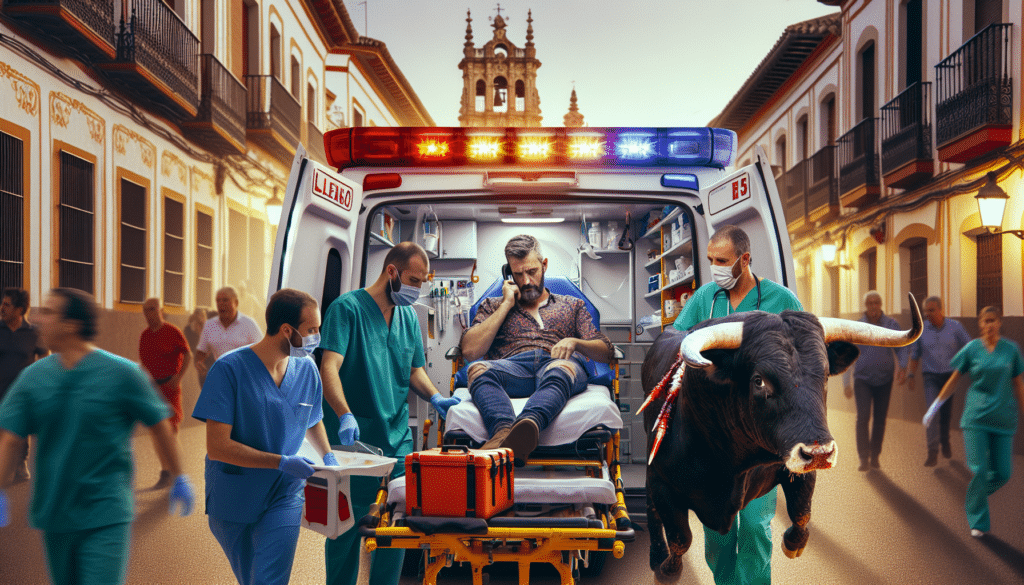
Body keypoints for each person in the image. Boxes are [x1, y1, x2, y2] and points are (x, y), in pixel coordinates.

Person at [0, 288, 194, 585]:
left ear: (71, 324)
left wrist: (179, 475)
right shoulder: (33, 378)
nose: (38, 319)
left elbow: (159, 422)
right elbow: (11, 438)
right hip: (55, 513)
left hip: (106, 512)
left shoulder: (121, 373)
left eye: (49, 312)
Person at [319, 241, 459, 585]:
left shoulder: (408, 317)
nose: (417, 289)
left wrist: (437, 398)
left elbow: (414, 370)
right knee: (346, 529)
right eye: (413, 280)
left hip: (397, 438)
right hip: (355, 440)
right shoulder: (346, 309)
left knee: (396, 525)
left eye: (422, 282)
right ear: (391, 272)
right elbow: (329, 368)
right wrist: (343, 414)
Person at [672, 225, 802, 585]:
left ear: (744, 260)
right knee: (718, 529)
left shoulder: (781, 300)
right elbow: (678, 339)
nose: (715, 267)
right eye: (711, 259)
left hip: (761, 435)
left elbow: (803, 360)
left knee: (756, 526)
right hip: (714, 436)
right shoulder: (705, 298)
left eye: (723, 261)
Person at [193, 288, 338, 585]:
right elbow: (218, 447)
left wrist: (328, 455)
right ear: (287, 330)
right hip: (234, 493)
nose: (317, 336)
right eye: (311, 329)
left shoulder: (307, 368)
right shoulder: (229, 370)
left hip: (285, 491)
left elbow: (311, 418)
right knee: (250, 579)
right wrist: (280, 461)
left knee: (270, 580)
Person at [461, 234, 614, 466]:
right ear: (508, 273)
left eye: (532, 271)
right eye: (518, 274)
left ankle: (529, 424)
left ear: (544, 265)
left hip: (558, 365)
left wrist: (575, 342)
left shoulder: (572, 305)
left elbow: (606, 352)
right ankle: (504, 434)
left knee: (560, 368)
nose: (526, 281)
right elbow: (470, 351)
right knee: (478, 369)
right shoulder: (493, 306)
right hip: (513, 368)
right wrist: (505, 305)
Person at [924, 306, 1024, 538]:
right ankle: (978, 519)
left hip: (1003, 419)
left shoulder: (1012, 350)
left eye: (993, 320)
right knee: (979, 470)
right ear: (979, 324)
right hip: (976, 418)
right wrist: (934, 407)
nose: (989, 325)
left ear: (1000, 322)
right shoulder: (972, 349)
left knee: (1002, 474)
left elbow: (1018, 385)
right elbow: (953, 380)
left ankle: (973, 496)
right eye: (985, 321)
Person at [842, 291, 909, 471]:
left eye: (876, 302)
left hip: (884, 380)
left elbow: (902, 347)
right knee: (863, 417)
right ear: (866, 306)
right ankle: (864, 457)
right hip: (862, 379)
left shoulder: (891, 325)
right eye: (870, 303)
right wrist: (845, 382)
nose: (873, 306)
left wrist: (903, 366)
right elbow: (847, 353)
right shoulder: (856, 326)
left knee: (880, 420)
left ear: (880, 304)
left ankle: (875, 456)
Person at [903, 296, 971, 467]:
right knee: (933, 410)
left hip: (950, 377)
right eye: (925, 311)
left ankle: (945, 440)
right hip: (930, 376)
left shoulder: (956, 328)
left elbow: (969, 347)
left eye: (931, 310)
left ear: (941, 310)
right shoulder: (922, 330)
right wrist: (911, 375)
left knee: (946, 414)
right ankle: (932, 451)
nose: (927, 314)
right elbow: (915, 354)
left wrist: (970, 367)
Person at [139, 298, 192, 489]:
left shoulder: (172, 331)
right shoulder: (145, 336)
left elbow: (187, 354)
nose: (148, 313)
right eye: (145, 310)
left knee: (172, 430)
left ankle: (177, 473)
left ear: (160, 310)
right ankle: (165, 472)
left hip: (170, 387)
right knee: (156, 429)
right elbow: (144, 364)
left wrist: (178, 377)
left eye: (152, 309)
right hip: (153, 388)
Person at [0, 287, 48, 483]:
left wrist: (39, 379)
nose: (2, 308)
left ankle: (21, 463)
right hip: (0, 388)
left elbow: (44, 354)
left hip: (22, 390)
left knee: (22, 427)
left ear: (19, 310)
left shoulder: (33, 333)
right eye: (2, 303)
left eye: (6, 305)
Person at [194, 286, 262, 381]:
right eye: (218, 301)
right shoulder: (209, 325)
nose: (221, 303)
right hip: (221, 378)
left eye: (225, 300)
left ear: (236, 303)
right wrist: (199, 363)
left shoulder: (249, 324)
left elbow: (263, 352)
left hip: (245, 379)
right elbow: (201, 352)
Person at [185, 307, 213, 387]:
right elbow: (191, 346)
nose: (200, 319)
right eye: (197, 316)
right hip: (200, 362)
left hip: (212, 361)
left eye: (202, 316)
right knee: (204, 385)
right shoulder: (190, 330)